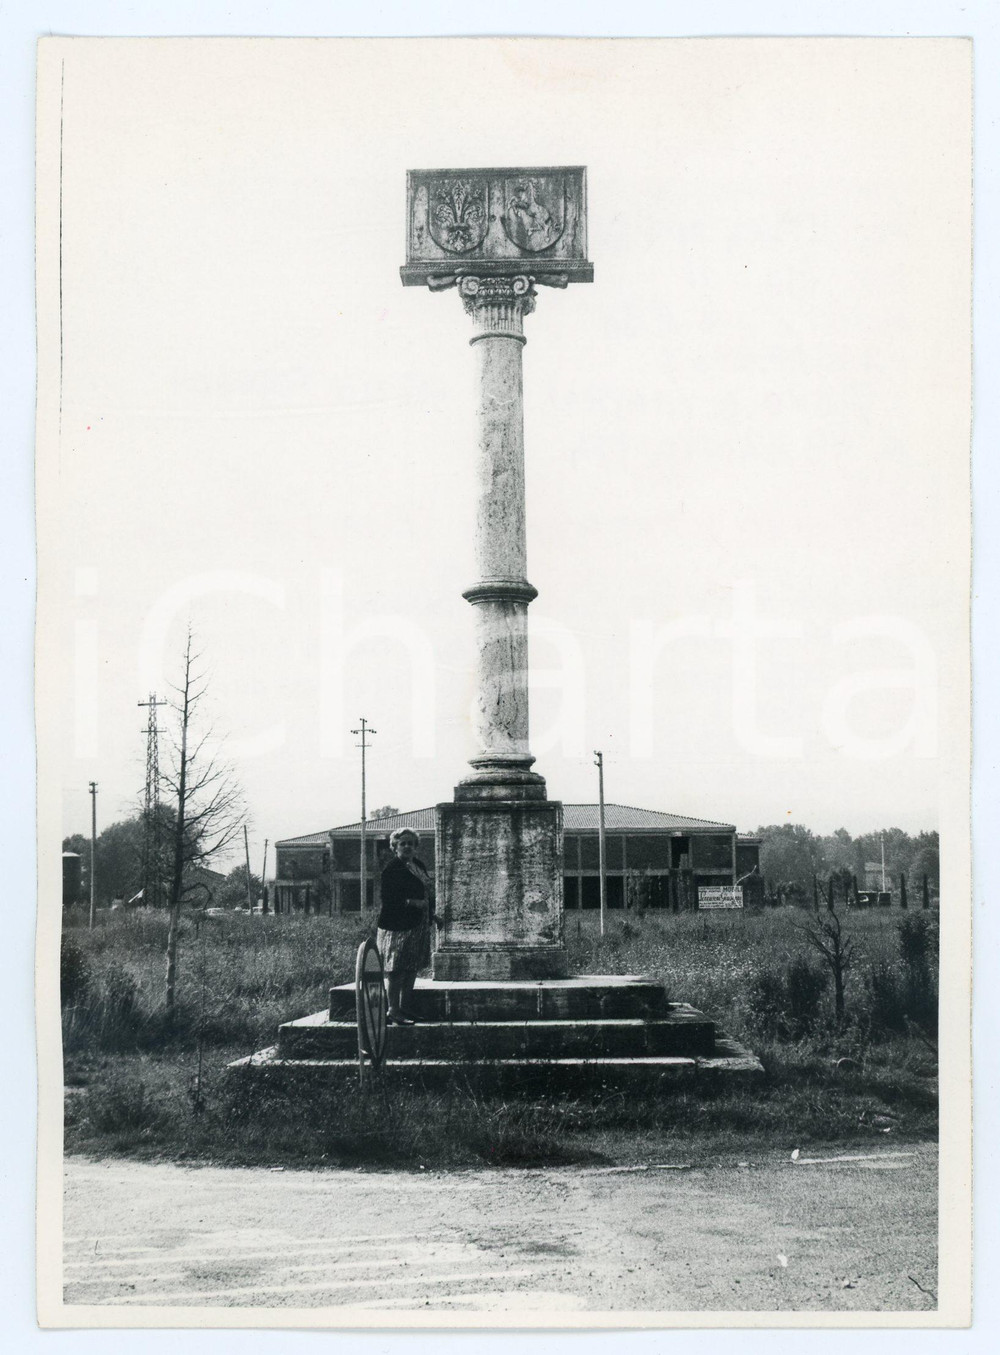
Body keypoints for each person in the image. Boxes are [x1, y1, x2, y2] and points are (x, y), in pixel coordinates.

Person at [376, 828, 434, 1024]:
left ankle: (405, 1007)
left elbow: (426, 892)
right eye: (403, 843)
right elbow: (389, 899)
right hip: (397, 925)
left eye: (411, 843)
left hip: (418, 925)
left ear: (416, 847)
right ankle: (393, 1010)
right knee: (396, 969)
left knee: (411, 967)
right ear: (395, 847)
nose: (407, 847)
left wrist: (433, 915)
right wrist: (413, 903)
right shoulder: (392, 869)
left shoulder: (418, 865)